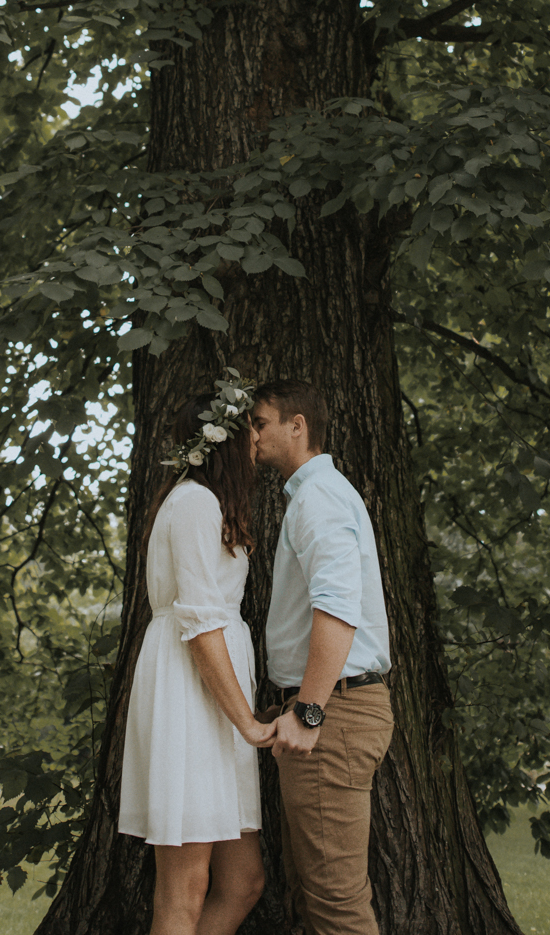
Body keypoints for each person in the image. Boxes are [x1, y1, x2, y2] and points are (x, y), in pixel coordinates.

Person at [119, 369, 277, 935]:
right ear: (225, 441)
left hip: (217, 702)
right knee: (184, 888)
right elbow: (201, 626)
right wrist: (249, 724)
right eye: (251, 430)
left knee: (243, 882)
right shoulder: (191, 504)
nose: (258, 441)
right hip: (189, 696)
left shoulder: (209, 504)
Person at [253, 380, 393, 935]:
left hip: (334, 713)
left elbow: (337, 607)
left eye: (260, 423)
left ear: (298, 426)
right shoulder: (317, 495)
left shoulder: (318, 497)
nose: (252, 436)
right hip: (335, 709)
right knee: (313, 898)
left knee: (335, 904)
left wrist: (309, 711)